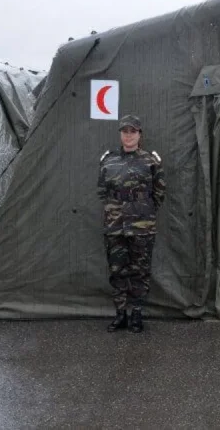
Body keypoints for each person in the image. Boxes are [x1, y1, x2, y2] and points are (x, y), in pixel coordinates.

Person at [97, 114, 166, 333]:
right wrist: (117, 210)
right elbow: (102, 192)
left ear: (139, 134)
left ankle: (136, 315)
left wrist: (142, 210)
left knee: (140, 271)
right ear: (120, 134)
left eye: (132, 131)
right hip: (115, 225)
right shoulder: (108, 160)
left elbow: (159, 193)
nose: (128, 136)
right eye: (125, 132)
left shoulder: (151, 161)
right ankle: (120, 315)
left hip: (142, 225)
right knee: (117, 271)